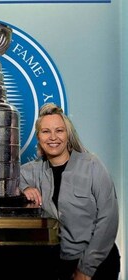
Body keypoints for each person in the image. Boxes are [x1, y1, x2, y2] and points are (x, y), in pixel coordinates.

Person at [18, 103, 120, 280]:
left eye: (59, 130)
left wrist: (86, 269)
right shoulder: (34, 171)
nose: (53, 137)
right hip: (60, 264)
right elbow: (8, 177)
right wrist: (24, 188)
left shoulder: (92, 165)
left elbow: (108, 219)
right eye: (46, 131)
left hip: (98, 262)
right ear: (38, 137)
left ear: (67, 134)